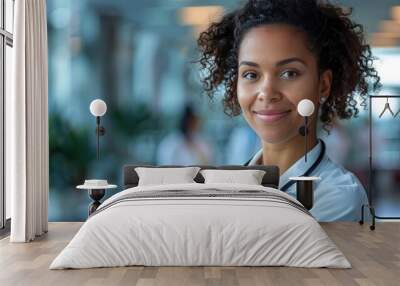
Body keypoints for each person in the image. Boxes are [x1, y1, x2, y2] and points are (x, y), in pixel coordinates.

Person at [197, 0, 380, 221]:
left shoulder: (338, 197)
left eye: (289, 73)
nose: (267, 92)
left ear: (323, 84)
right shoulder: (227, 186)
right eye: (251, 75)